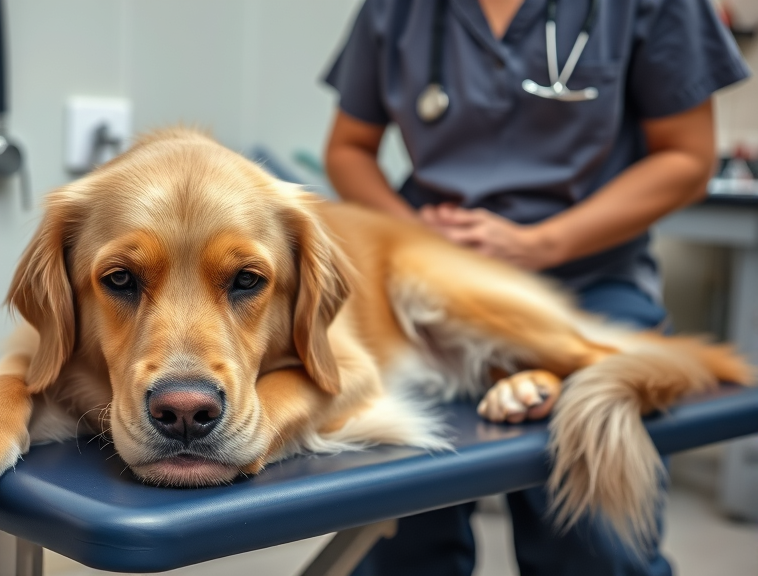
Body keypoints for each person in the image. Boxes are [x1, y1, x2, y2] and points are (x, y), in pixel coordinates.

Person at [321, 0, 750, 575]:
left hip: (588, 285)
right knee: (402, 533)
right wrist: (413, 238)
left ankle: (544, 373)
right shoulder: (399, 10)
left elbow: (687, 157)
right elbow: (348, 147)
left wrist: (541, 244)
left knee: (594, 536)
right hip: (428, 295)